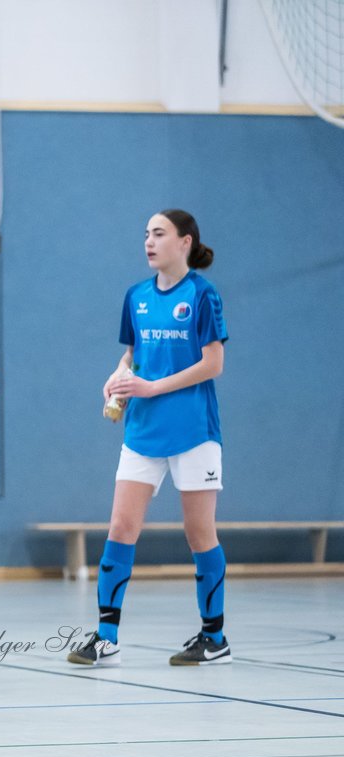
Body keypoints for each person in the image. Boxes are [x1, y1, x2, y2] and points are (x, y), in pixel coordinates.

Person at [69, 209, 230, 667]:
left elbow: (213, 363)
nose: (149, 241)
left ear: (185, 242)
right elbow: (133, 356)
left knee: (199, 533)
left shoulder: (202, 294)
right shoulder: (136, 296)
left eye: (159, 234)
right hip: (141, 431)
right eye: (145, 234)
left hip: (194, 431)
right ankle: (106, 636)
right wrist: (117, 377)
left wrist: (153, 387)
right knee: (121, 527)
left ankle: (215, 638)